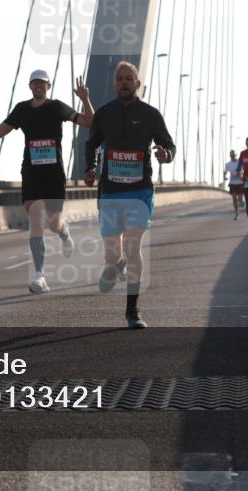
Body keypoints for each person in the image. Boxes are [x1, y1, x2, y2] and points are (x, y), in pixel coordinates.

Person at [0, 70, 94, 294]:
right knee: (37, 217)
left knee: (53, 222)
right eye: (35, 83)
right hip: (31, 174)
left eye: (42, 83)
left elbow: (88, 122)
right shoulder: (22, 109)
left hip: (54, 175)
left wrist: (85, 99)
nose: (38, 86)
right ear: (30, 87)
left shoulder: (57, 107)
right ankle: (39, 275)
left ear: (49, 86)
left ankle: (64, 232)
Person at [84, 61, 175, 329]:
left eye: (129, 79)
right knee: (112, 255)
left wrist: (165, 154)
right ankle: (117, 263)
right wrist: (89, 168)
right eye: (119, 79)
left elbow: (168, 144)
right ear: (114, 84)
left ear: (138, 83)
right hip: (110, 193)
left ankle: (132, 311)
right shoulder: (104, 113)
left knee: (134, 246)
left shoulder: (150, 114)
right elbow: (92, 144)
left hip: (140, 192)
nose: (124, 82)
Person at [223, 149, 243, 220]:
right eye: (231, 154)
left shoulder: (240, 163)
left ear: (235, 155)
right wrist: (224, 176)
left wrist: (241, 174)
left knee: (240, 199)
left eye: (233, 154)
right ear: (230, 155)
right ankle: (237, 213)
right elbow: (225, 171)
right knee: (234, 199)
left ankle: (240, 201)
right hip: (232, 183)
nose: (232, 155)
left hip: (240, 182)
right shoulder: (228, 164)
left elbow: (244, 169)